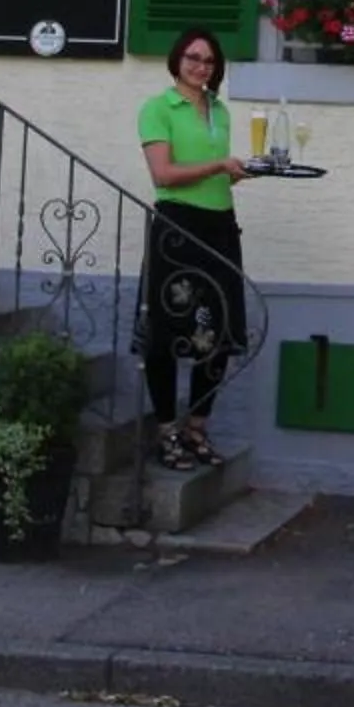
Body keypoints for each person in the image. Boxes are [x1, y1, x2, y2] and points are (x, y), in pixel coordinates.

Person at [135, 27, 251, 472]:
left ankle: (197, 428)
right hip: (178, 228)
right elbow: (164, 174)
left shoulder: (219, 110)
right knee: (167, 331)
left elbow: (209, 172)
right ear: (177, 60)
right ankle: (166, 432)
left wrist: (235, 173)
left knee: (218, 331)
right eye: (193, 58)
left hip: (220, 224)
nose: (201, 67)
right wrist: (220, 164)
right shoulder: (157, 108)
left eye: (209, 61)